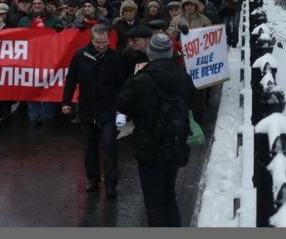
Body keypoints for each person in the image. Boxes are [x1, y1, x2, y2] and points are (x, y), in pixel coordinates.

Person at [116, 34, 195, 227]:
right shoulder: (182, 75)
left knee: (153, 201)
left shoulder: (143, 78)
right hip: (174, 142)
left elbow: (122, 103)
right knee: (169, 194)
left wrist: (135, 76)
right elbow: (194, 102)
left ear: (150, 53)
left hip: (149, 144)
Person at [62, 24, 125, 197]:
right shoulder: (80, 56)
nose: (102, 45)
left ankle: (111, 184)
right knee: (90, 147)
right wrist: (66, 102)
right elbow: (71, 80)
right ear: (91, 40)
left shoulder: (115, 57)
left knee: (109, 145)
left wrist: (121, 107)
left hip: (108, 109)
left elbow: (122, 83)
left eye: (105, 42)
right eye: (98, 42)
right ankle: (93, 179)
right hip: (87, 109)